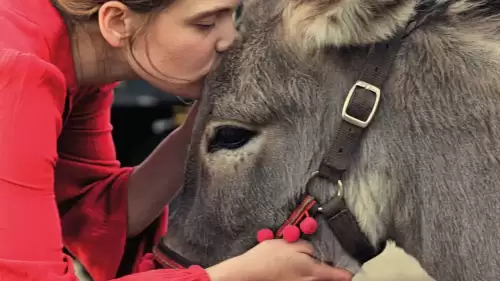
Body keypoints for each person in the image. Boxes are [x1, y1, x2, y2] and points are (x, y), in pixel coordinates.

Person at [0, 0, 353, 281]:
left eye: (233, 13)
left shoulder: (73, 59)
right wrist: (237, 276)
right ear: (117, 22)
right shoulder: (16, 74)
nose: (230, 38)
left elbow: (89, 215)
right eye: (205, 23)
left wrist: (204, 122)